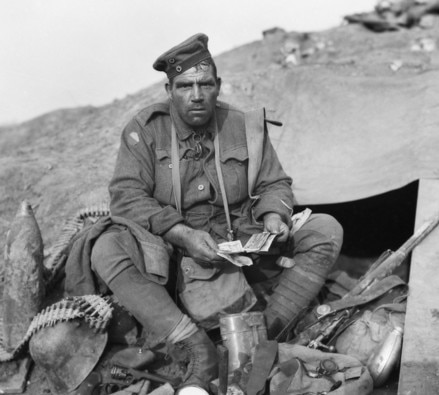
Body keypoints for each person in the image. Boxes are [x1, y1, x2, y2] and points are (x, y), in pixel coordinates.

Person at [69, 33, 343, 392]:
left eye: (205, 84)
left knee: (325, 229)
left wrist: (275, 216)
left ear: (218, 86)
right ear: (170, 90)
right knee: (106, 247)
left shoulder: (243, 126)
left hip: (240, 239)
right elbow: (126, 197)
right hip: (171, 249)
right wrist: (180, 233)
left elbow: (275, 183)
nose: (196, 94)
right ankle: (197, 348)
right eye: (184, 86)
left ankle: (264, 335)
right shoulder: (145, 131)